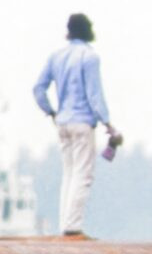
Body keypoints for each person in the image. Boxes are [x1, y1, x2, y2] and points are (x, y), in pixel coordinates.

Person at [32, 13, 116, 239]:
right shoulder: (90, 57)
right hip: (82, 122)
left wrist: (50, 111)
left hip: (62, 122)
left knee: (69, 174)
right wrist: (108, 124)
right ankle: (73, 226)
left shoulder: (56, 56)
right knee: (83, 174)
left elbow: (38, 88)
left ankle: (66, 224)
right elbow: (94, 95)